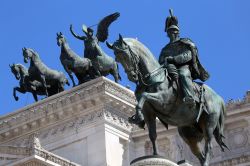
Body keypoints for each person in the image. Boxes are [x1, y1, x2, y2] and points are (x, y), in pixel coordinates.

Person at [159, 9, 210, 107]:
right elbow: (160, 61)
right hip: (168, 68)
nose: (172, 34)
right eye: (170, 32)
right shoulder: (165, 48)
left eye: (174, 32)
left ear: (178, 33)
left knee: (182, 74)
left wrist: (173, 59)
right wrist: (164, 63)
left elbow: (188, 55)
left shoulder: (185, 42)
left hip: (183, 67)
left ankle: (189, 97)